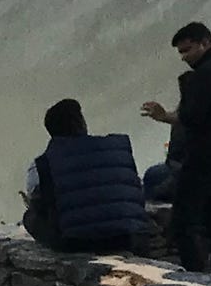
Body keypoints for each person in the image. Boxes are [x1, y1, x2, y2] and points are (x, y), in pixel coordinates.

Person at [141, 22, 211, 277]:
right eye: (181, 53)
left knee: (183, 221)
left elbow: (192, 117)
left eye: (187, 50)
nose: (184, 57)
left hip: (203, 159)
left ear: (205, 42)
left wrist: (163, 116)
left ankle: (196, 276)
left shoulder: (206, 74)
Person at [21, 99, 148, 255]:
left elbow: (39, 202)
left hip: (78, 242)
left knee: (30, 217)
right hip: (127, 237)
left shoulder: (42, 163)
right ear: (82, 124)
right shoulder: (116, 149)